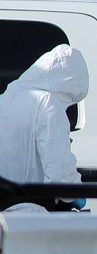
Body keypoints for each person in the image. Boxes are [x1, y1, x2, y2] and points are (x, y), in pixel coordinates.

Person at [0, 44, 88, 212]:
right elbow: (60, 179)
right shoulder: (48, 104)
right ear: (70, 84)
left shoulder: (8, 96)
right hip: (28, 214)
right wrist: (76, 194)